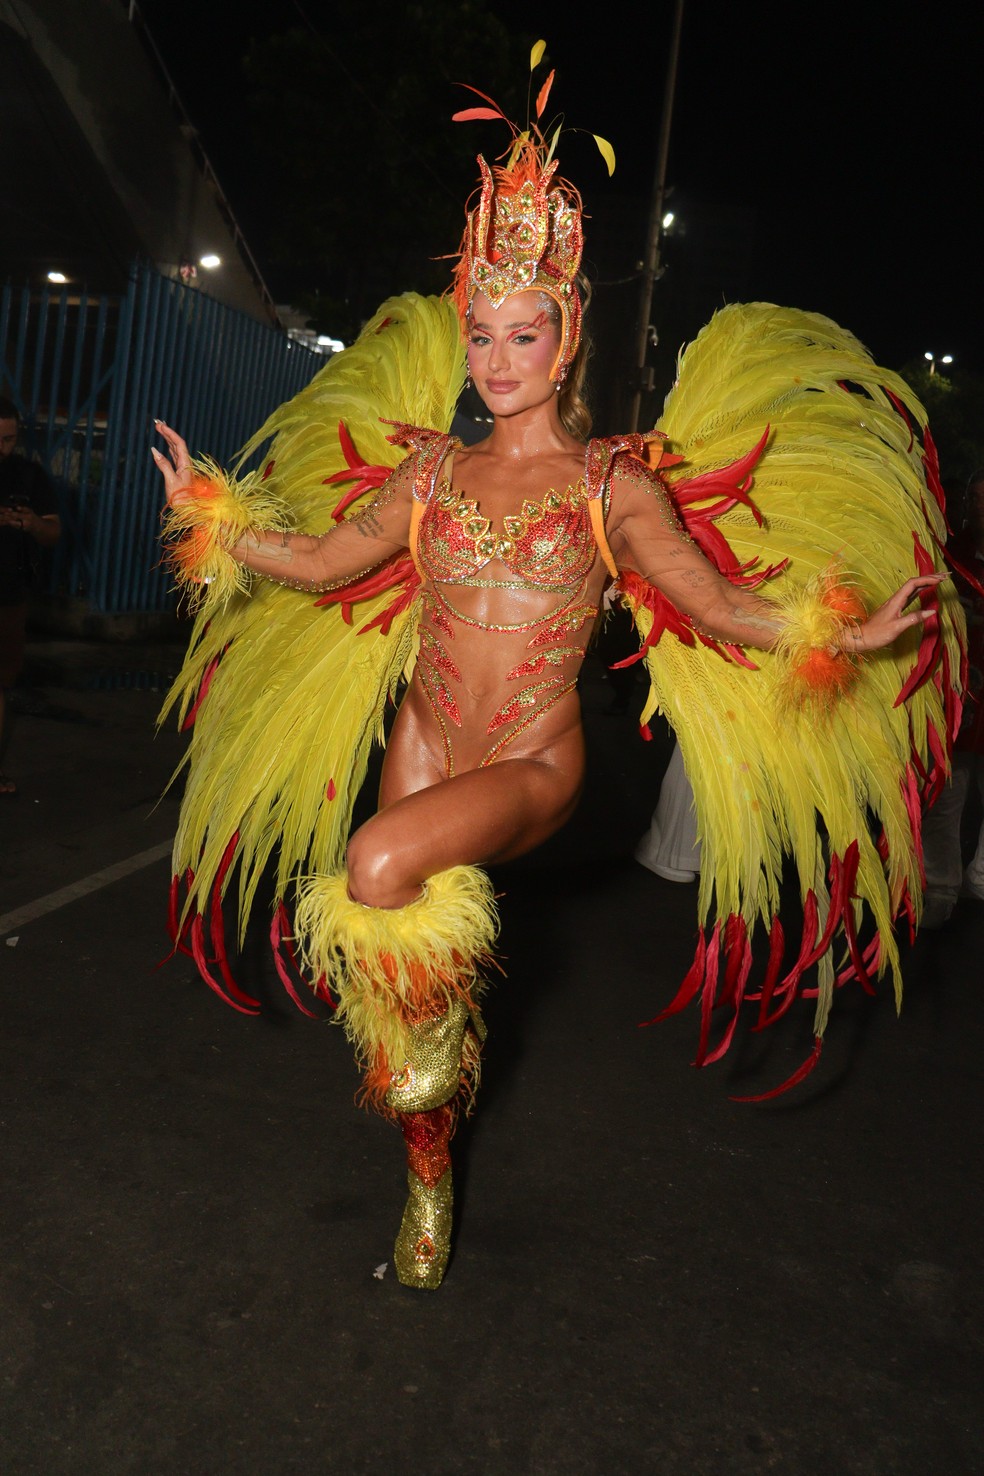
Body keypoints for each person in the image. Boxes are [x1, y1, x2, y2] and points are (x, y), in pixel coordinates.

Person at [153, 72, 956, 1289]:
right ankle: (429, 1176)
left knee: (373, 870)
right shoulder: (430, 476)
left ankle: (432, 1111)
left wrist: (836, 631)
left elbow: (717, 603)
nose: (496, 358)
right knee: (414, 971)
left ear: (566, 332)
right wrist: (216, 514)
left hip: (532, 758)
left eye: (522, 332)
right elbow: (319, 561)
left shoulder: (608, 487)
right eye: (480, 332)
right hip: (424, 737)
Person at [921, 469, 984, 926]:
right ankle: (939, 889)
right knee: (947, 789)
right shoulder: (954, 548)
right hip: (956, 693)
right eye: (975, 497)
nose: (980, 506)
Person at [0, 397, 61, 794]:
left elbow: (53, 532)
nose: (1, 448)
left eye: (8, 439)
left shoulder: (28, 476)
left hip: (7, 595)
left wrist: (31, 523)